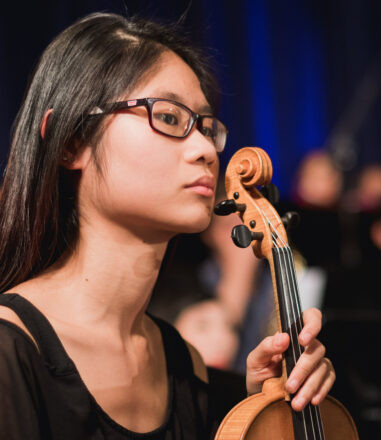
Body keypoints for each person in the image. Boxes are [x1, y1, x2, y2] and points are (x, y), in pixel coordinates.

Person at [0, 13, 334, 439]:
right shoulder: (11, 352)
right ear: (71, 142)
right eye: (170, 117)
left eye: (207, 127)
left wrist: (260, 416)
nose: (205, 150)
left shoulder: (184, 363)